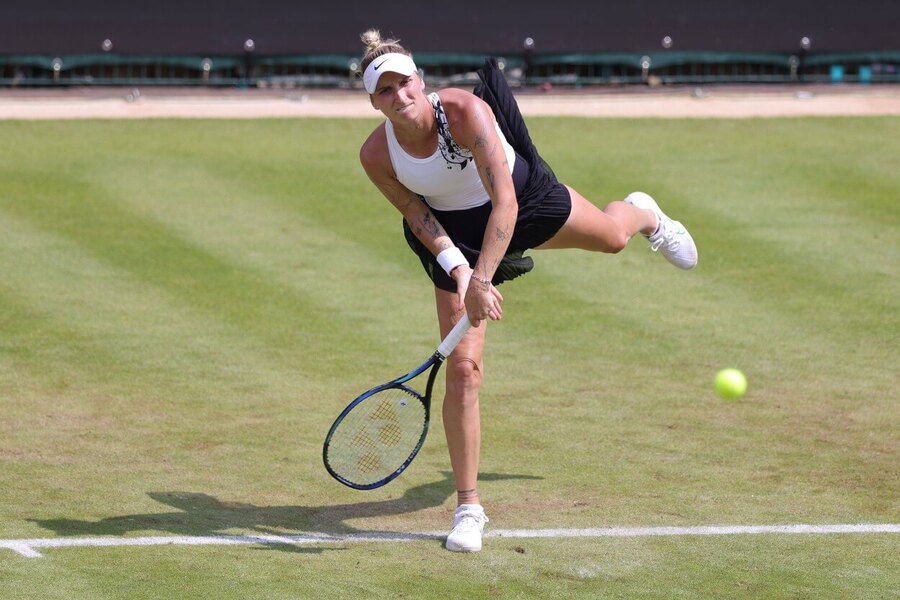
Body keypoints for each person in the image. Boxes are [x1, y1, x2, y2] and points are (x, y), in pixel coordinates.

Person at [356, 29, 697, 553]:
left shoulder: (466, 113)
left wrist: (484, 278)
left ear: (420, 81)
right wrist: (460, 271)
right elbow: (415, 213)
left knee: (610, 239)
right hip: (451, 237)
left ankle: (644, 213)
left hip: (518, 198)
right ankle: (469, 507)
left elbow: (506, 205)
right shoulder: (377, 154)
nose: (399, 96)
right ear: (373, 101)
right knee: (464, 369)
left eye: (405, 83)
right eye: (385, 91)